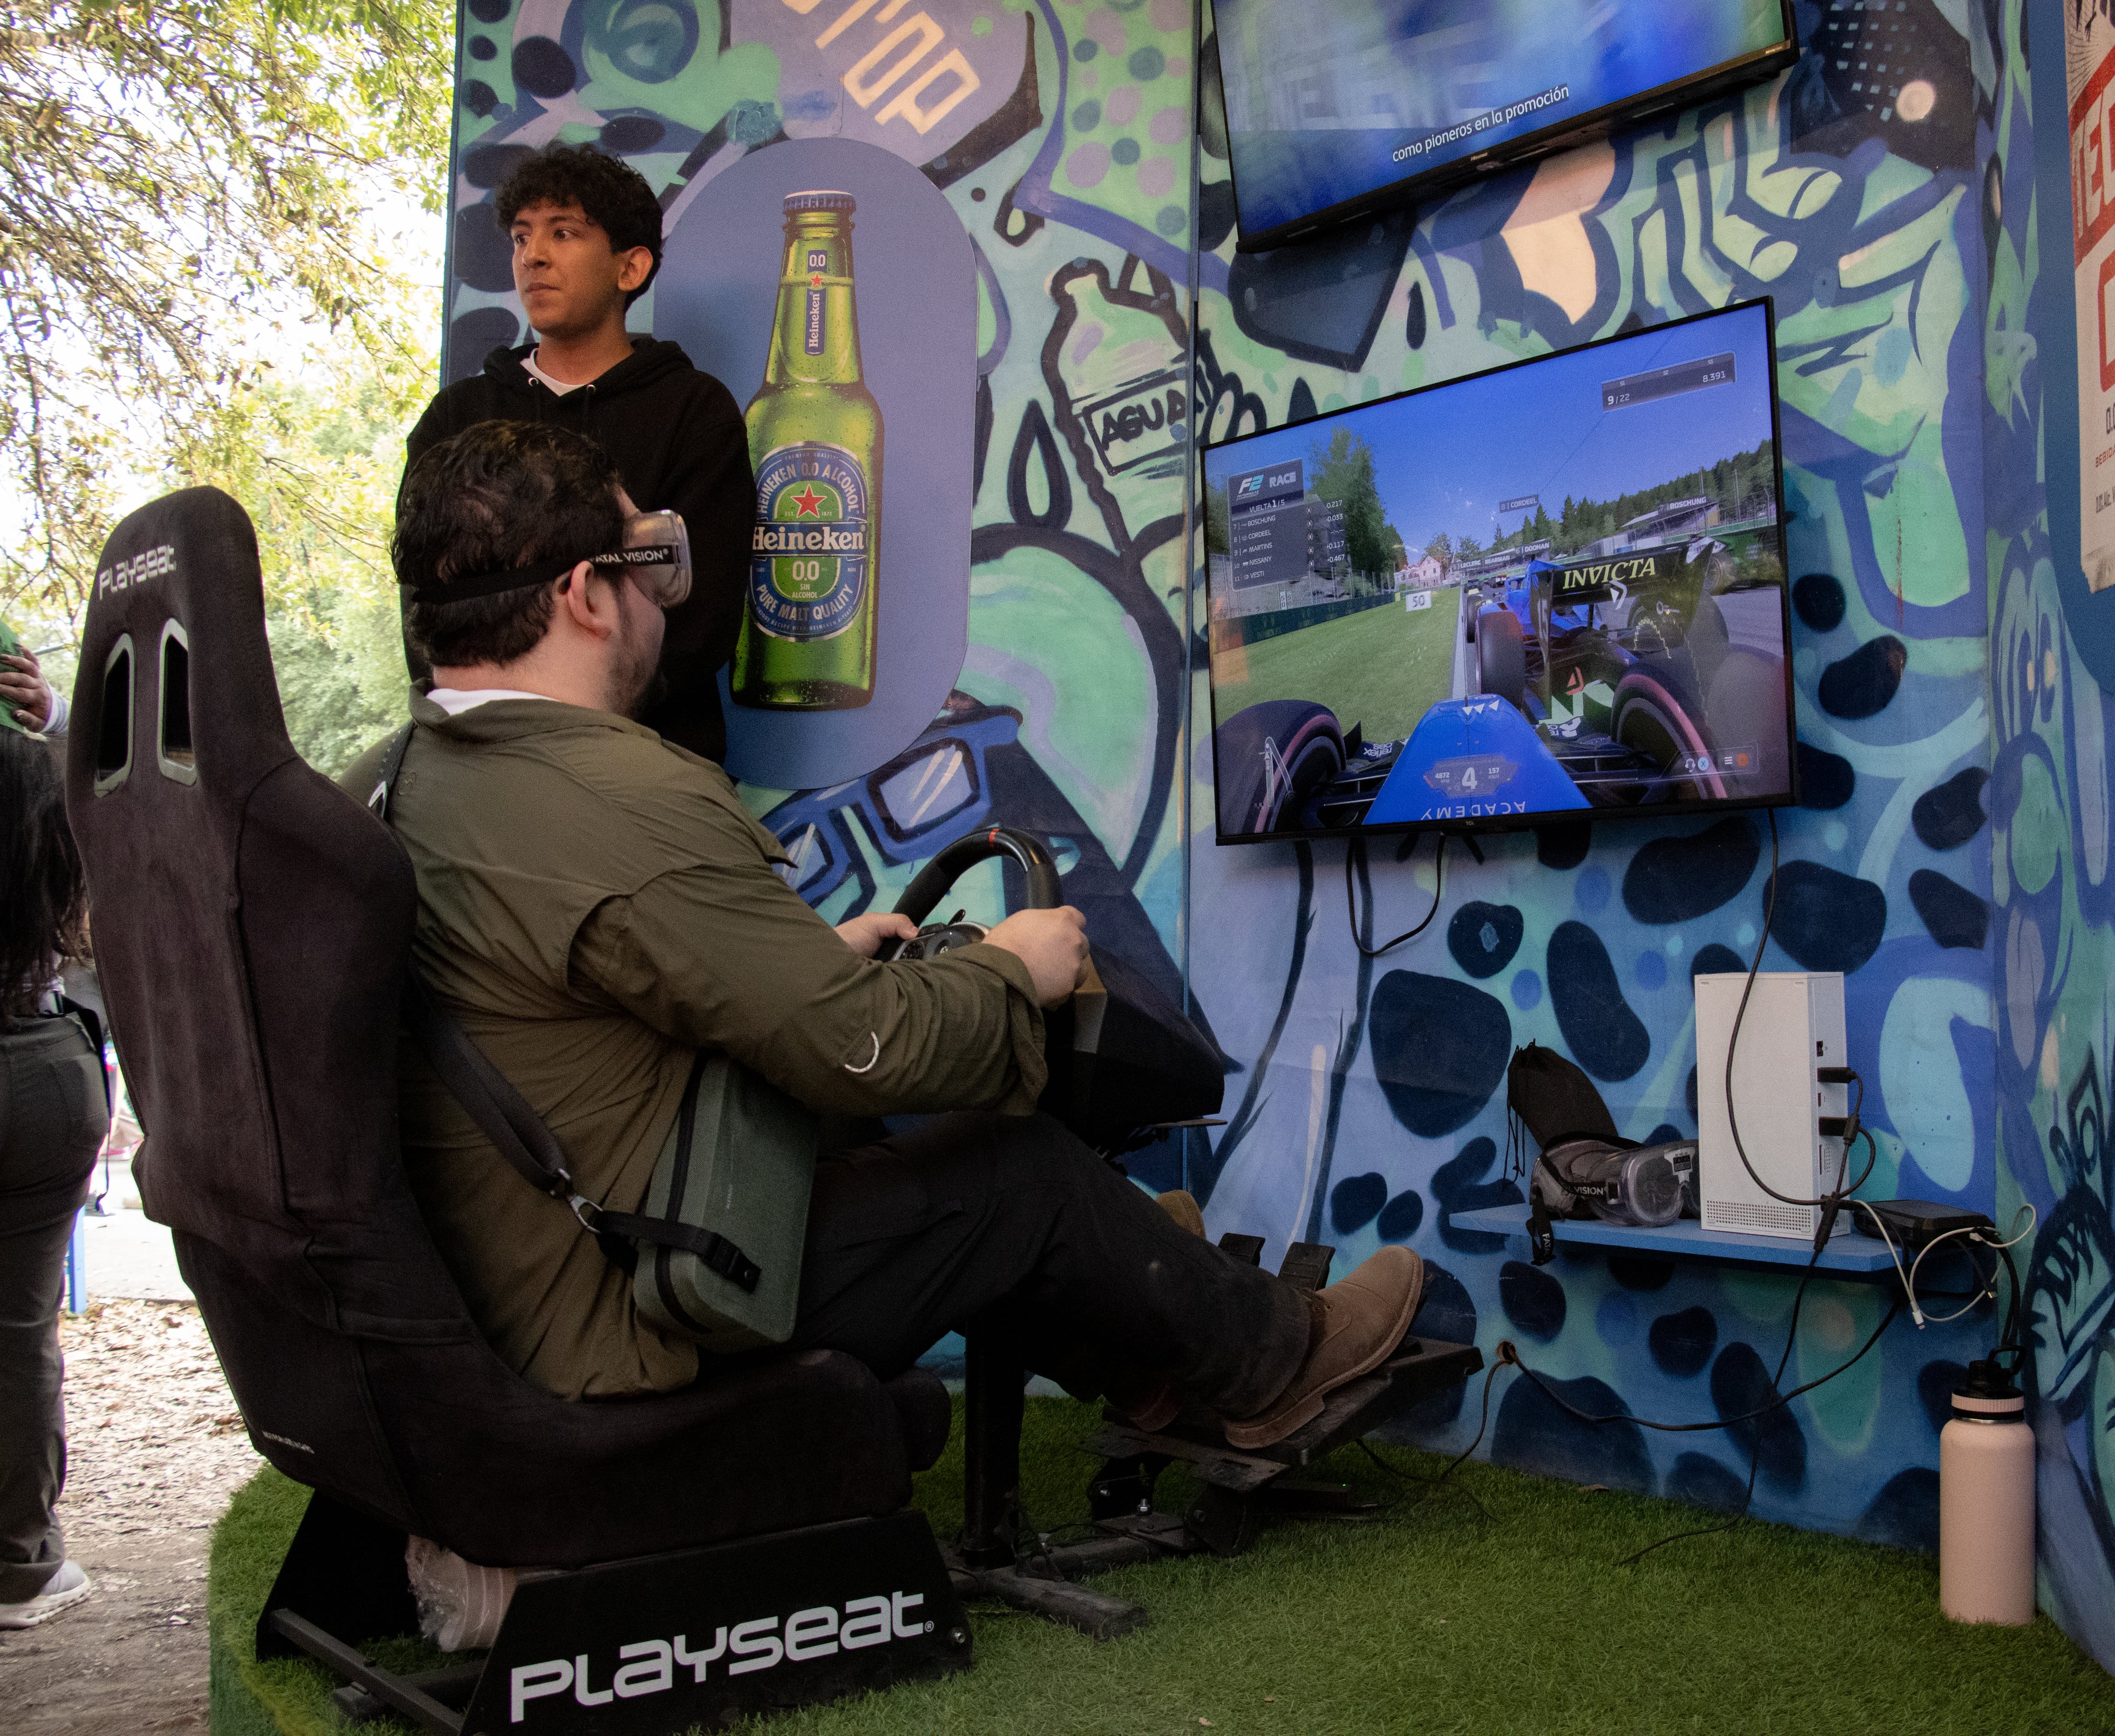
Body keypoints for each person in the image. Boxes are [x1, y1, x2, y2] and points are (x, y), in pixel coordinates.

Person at [342, 420, 1420, 1447]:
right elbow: (870, 1047)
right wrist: (1011, 968)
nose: (663, 601)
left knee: (888, 1141)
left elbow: (586, 1014)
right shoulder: (613, 795)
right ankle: (1282, 1362)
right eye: (648, 564)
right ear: (584, 594)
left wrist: (810, 966)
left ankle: (1151, 1363)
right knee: (1020, 1174)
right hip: (622, 1316)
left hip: (506, 1291)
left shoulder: (391, 784)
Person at [402, 143, 754, 764]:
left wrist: (578, 734)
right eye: (521, 237)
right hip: (484, 762)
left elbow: (701, 618)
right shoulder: (455, 418)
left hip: (650, 763)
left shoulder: (694, 412)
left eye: (562, 233)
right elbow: (425, 604)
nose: (532, 255)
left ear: (630, 268)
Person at [0, 653, 109, 1629]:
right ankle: (19, 1563)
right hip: (37, 1068)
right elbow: (126, 802)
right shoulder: (32, 778)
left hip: (38, 1066)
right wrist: (61, 721)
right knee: (19, 1330)